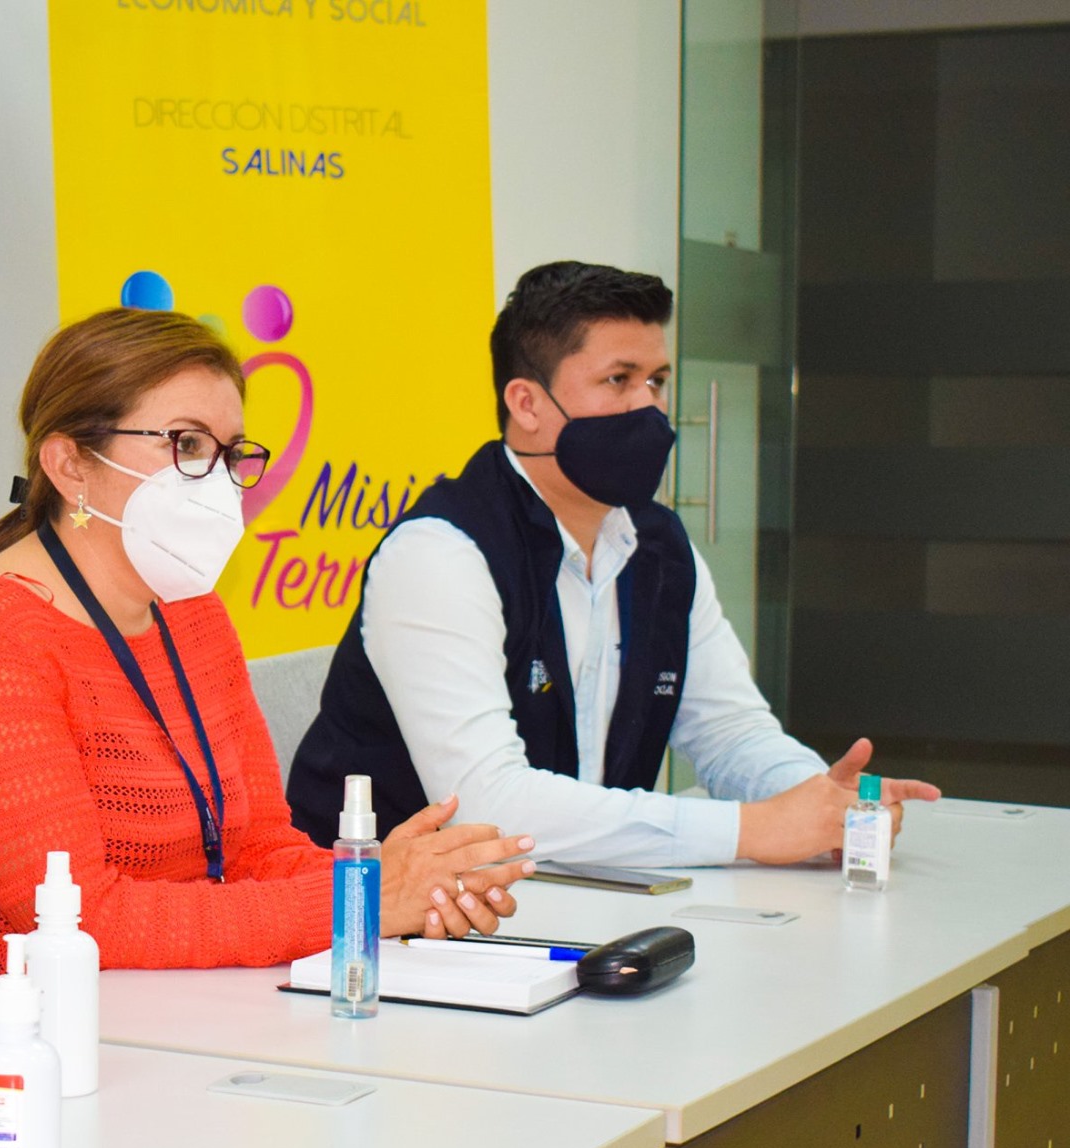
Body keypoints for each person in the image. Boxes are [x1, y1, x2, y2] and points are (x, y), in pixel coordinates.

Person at [0, 308, 539, 1032]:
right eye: (186, 444)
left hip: (163, 1020)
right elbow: (84, 918)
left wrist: (395, 884)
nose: (217, 480)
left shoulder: (192, 614)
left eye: (229, 452)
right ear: (69, 464)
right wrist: (355, 903)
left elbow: (256, 846)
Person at [288, 261, 940, 865]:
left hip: (577, 895)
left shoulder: (659, 546)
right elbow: (489, 804)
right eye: (618, 380)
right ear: (527, 404)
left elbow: (729, 730)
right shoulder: (439, 554)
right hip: (379, 919)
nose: (648, 408)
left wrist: (823, 803)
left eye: (657, 381)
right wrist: (753, 830)